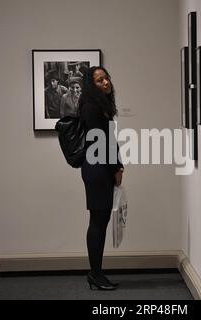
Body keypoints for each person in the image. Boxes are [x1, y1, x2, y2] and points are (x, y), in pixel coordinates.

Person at [78, 66, 124, 290]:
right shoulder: (91, 107)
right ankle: (95, 274)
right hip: (97, 169)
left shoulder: (101, 106)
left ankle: (96, 273)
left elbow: (110, 140)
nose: (106, 83)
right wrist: (116, 168)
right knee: (97, 221)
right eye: (99, 81)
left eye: (106, 78)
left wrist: (118, 165)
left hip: (101, 167)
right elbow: (101, 142)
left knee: (101, 221)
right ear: (91, 85)